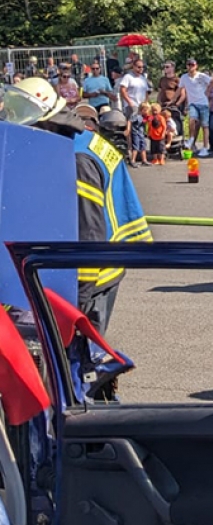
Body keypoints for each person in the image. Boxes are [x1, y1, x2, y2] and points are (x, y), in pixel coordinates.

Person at [8, 77, 151, 337]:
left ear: (44, 122)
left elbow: (88, 231)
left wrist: (79, 299)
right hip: (108, 257)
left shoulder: (75, 161)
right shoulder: (83, 137)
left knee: (79, 360)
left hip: (95, 272)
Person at [176, 58, 210, 155]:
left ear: (196, 66)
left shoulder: (201, 76)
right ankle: (191, 139)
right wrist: (173, 100)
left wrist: (208, 91)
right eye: (189, 65)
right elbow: (179, 89)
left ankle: (205, 148)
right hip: (193, 103)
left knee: (205, 126)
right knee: (192, 119)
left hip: (203, 103)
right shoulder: (184, 77)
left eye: (193, 65)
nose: (191, 67)